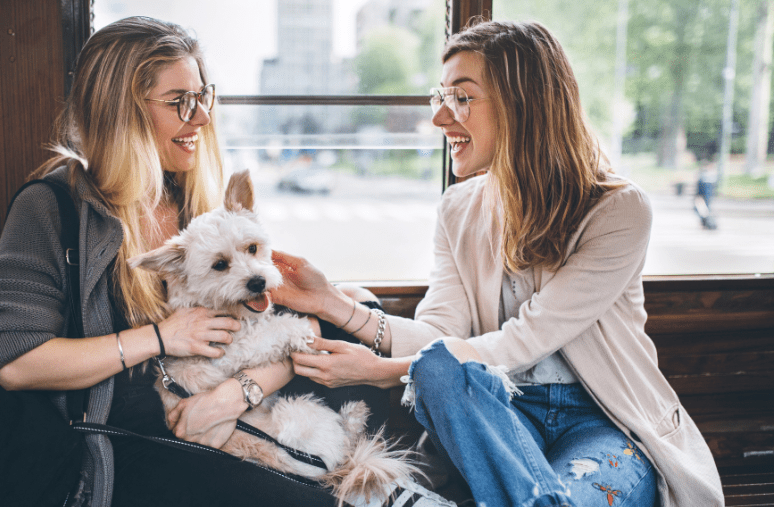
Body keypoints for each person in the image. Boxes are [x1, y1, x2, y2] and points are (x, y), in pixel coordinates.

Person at [272, 19, 725, 507]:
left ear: (522, 105)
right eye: (439, 96)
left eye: (462, 98)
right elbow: (439, 337)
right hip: (495, 417)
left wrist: (383, 371)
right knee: (440, 371)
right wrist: (333, 303)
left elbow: (525, 340)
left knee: (438, 374)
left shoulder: (618, 209)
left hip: (603, 420)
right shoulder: (457, 210)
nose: (439, 118)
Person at [0, 16, 384, 507]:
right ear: (120, 111)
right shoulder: (51, 207)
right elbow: (14, 361)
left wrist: (235, 396)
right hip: (130, 440)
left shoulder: (195, 199)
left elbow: (285, 325)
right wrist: (159, 338)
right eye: (180, 103)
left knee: (358, 320)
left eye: (203, 96)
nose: (202, 118)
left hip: (226, 402)